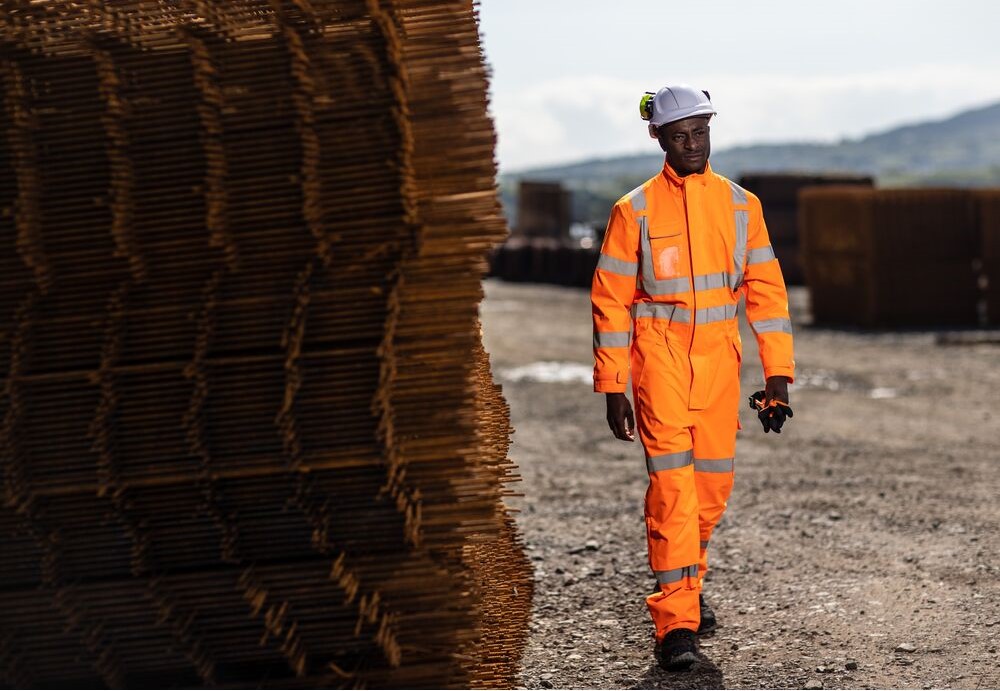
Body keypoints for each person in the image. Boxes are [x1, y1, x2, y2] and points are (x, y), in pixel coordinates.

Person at [590, 84, 796, 671]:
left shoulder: (741, 206)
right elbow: (609, 302)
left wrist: (777, 374)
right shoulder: (633, 212)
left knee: (710, 491)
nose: (693, 145)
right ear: (657, 137)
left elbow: (767, 293)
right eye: (679, 136)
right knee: (673, 493)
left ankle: (690, 586)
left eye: (701, 132)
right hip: (658, 366)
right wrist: (613, 385)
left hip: (719, 367)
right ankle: (675, 625)